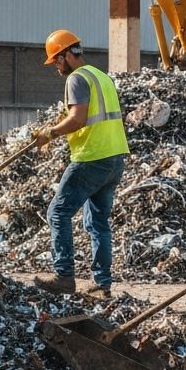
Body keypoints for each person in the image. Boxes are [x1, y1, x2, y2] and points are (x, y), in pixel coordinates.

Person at [32, 29, 130, 299]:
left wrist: (49, 134)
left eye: (56, 61)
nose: (56, 67)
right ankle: (102, 284)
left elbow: (77, 119)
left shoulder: (76, 78)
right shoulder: (101, 76)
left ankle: (64, 277)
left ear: (65, 55)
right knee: (98, 221)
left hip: (91, 157)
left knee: (57, 212)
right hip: (114, 157)